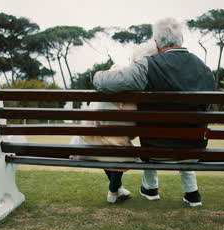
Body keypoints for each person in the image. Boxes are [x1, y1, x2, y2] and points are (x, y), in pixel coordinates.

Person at [93, 17, 215, 207]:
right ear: (181, 39)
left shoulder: (148, 65)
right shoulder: (205, 69)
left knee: (151, 128)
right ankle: (189, 193)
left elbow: (107, 82)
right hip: (194, 149)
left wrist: (97, 76)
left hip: (155, 150)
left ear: (156, 42)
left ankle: (150, 189)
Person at [70, 42, 158, 204]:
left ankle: (117, 189)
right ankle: (113, 190)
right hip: (117, 151)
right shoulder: (132, 100)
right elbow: (132, 134)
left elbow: (89, 121)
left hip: (88, 146)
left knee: (107, 148)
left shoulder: (99, 96)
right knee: (120, 148)